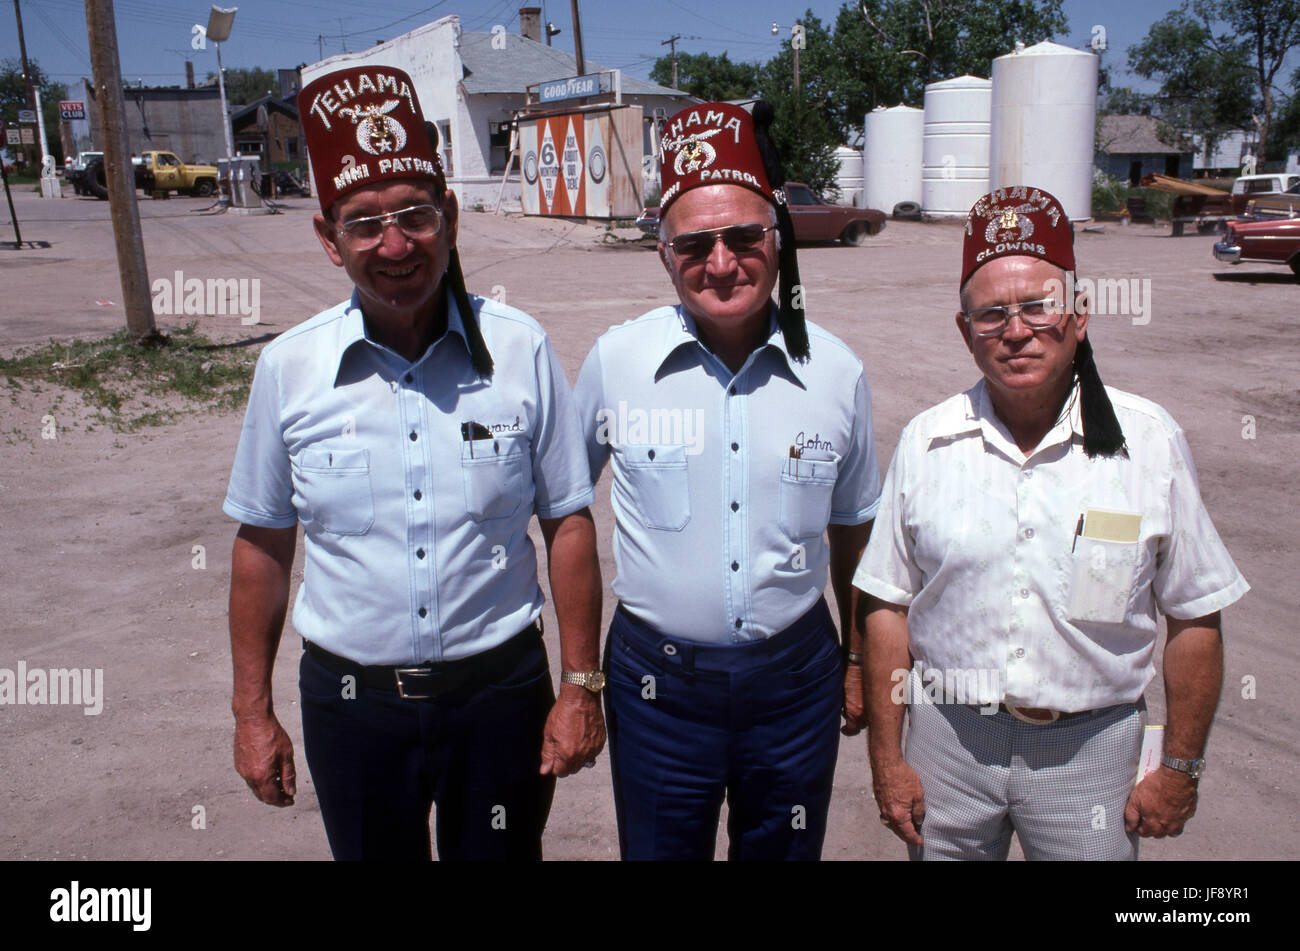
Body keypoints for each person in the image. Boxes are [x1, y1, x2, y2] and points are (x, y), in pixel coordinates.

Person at [223, 66, 605, 861]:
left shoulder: (521, 349)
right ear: (330, 241)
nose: (394, 244)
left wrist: (580, 685)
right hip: (353, 707)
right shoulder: (289, 370)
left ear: (451, 218)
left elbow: (567, 519)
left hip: (499, 699)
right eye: (364, 223)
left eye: (413, 215)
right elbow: (262, 545)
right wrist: (251, 712)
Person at [854, 185, 1249, 861]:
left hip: (1091, 752)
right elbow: (885, 604)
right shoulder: (926, 442)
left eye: (1038, 306)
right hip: (949, 745)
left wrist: (1180, 768)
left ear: (1078, 314)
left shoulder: (1146, 442)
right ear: (964, 330)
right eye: (991, 314)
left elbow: (1194, 616)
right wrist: (888, 759)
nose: (1015, 329)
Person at [573, 101, 882, 860]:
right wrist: (576, 678)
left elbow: (857, 529)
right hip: (657, 690)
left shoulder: (836, 372)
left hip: (795, 682)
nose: (721, 263)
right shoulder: (617, 364)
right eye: (694, 244)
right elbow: (562, 510)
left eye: (743, 237)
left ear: (776, 239)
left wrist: (855, 659)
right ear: (662, 253)